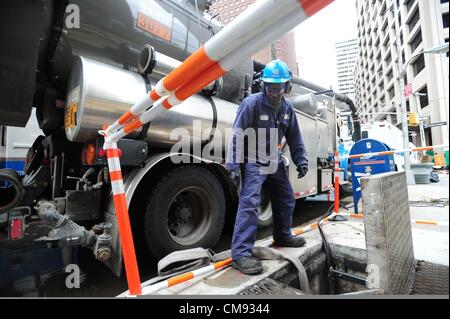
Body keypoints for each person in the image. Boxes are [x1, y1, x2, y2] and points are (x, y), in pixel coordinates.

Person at [226, 59, 309, 275]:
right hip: (252, 160)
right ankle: (241, 255)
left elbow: (295, 138)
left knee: (286, 198)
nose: (273, 92)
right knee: (250, 202)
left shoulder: (288, 110)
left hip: (273, 160)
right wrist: (233, 165)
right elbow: (237, 134)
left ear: (286, 88)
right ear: (263, 85)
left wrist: (302, 160)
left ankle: (282, 235)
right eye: (269, 87)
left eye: (278, 88)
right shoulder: (251, 104)